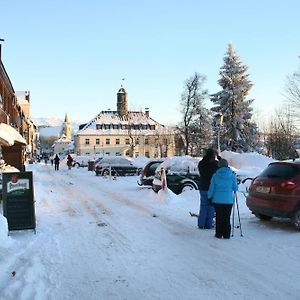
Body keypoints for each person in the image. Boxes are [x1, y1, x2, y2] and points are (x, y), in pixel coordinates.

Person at [208, 159, 238, 239]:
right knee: (226, 217)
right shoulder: (232, 175)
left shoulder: (215, 175)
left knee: (219, 217)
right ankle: (226, 234)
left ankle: (218, 234)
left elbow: (212, 188)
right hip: (228, 200)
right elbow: (235, 188)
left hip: (217, 200)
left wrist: (209, 196)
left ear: (219, 165)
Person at [197, 148, 220, 229]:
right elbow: (223, 165)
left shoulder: (201, 163)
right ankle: (208, 224)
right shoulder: (215, 164)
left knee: (203, 205)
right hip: (212, 188)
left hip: (203, 187)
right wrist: (219, 157)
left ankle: (201, 223)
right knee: (211, 206)